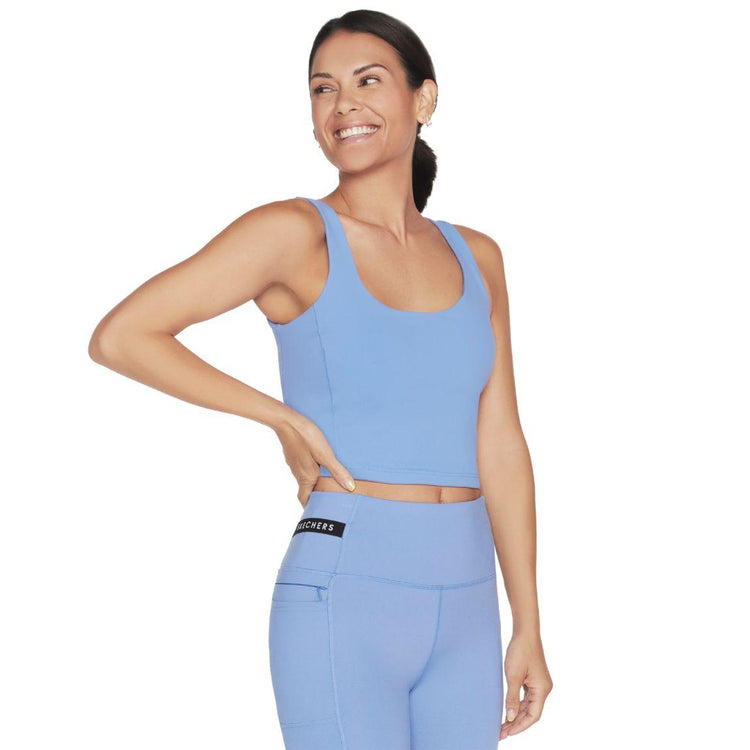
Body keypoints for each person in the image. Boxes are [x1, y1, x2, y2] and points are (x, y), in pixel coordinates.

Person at [89, 9, 552, 749]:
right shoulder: (293, 234)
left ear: (424, 98)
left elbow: (500, 442)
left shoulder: (480, 257)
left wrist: (527, 621)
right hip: (345, 592)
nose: (343, 105)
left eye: (368, 81)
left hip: (469, 605)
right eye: (323, 88)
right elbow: (122, 337)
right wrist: (282, 418)